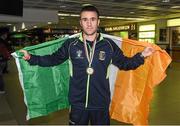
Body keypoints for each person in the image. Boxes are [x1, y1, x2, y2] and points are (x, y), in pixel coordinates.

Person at [20, 5, 154, 125]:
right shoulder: (71, 45)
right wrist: (31, 58)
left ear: (98, 22)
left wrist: (142, 55)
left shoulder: (108, 45)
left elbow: (125, 64)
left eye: (93, 19)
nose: (89, 24)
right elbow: (53, 59)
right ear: (80, 22)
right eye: (85, 20)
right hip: (78, 104)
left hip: (101, 104)